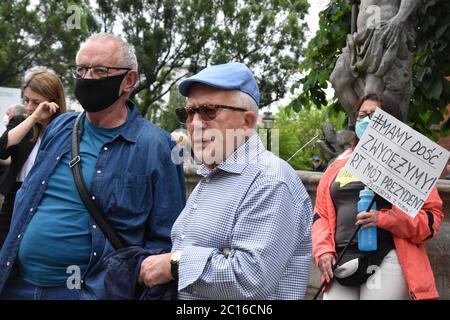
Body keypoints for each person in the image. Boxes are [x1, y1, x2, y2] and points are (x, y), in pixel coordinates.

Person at [0, 33, 186, 300]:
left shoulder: (157, 147)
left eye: (99, 70)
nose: (86, 78)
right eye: (81, 69)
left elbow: (165, 240)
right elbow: (28, 198)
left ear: (128, 81)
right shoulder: (60, 127)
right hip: (17, 285)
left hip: (87, 293)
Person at [138, 62, 313, 300]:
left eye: (209, 110)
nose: (195, 124)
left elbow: (249, 277)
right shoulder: (212, 176)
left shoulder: (269, 181)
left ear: (248, 122)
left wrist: (174, 264)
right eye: (188, 112)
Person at [312, 93, 444, 300]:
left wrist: (385, 219)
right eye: (361, 115)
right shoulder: (337, 164)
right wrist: (323, 251)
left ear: (391, 121)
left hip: (389, 258)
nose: (365, 120)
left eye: (374, 115)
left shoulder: (409, 164)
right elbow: (320, 215)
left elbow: (431, 219)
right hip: (342, 259)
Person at [0, 69, 67, 249]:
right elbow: (2, 149)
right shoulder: (23, 122)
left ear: (54, 101)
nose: (29, 107)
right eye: (26, 100)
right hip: (14, 195)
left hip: (46, 198)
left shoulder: (66, 129)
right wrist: (34, 117)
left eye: (36, 102)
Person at [330, 0, 419, 125]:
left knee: (372, 94)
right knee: (338, 79)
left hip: (384, 32)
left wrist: (399, 19)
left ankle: (375, 137)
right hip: (361, 38)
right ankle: (361, 130)